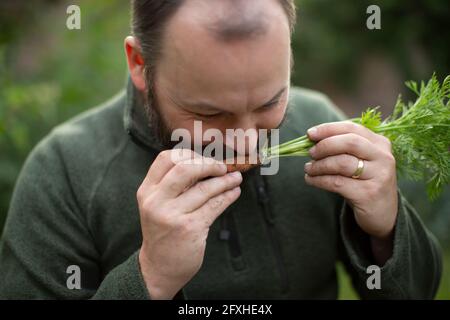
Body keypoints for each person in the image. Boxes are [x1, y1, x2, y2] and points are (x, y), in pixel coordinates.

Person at [0, 0, 441, 299]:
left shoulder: (320, 127)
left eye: (270, 102)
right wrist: (150, 277)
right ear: (140, 64)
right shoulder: (62, 174)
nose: (247, 138)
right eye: (209, 113)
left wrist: (386, 231)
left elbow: (417, 289)